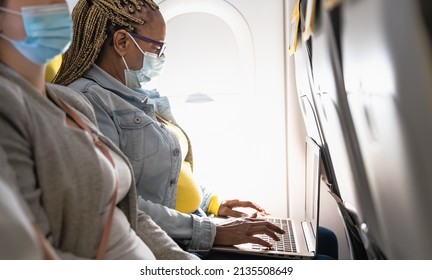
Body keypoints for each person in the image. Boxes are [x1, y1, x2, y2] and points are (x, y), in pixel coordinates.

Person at [54, 0, 286, 254]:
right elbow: (121, 203)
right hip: (167, 239)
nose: (161, 56)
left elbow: (163, 175)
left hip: (190, 223)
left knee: (323, 240)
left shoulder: (136, 94)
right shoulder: (87, 101)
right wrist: (213, 231)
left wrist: (213, 203)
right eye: (158, 47)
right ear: (122, 42)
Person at [0, 0, 198, 260]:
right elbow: (30, 256)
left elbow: (127, 209)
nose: (57, 5)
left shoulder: (69, 101)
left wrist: (185, 264)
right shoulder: (10, 105)